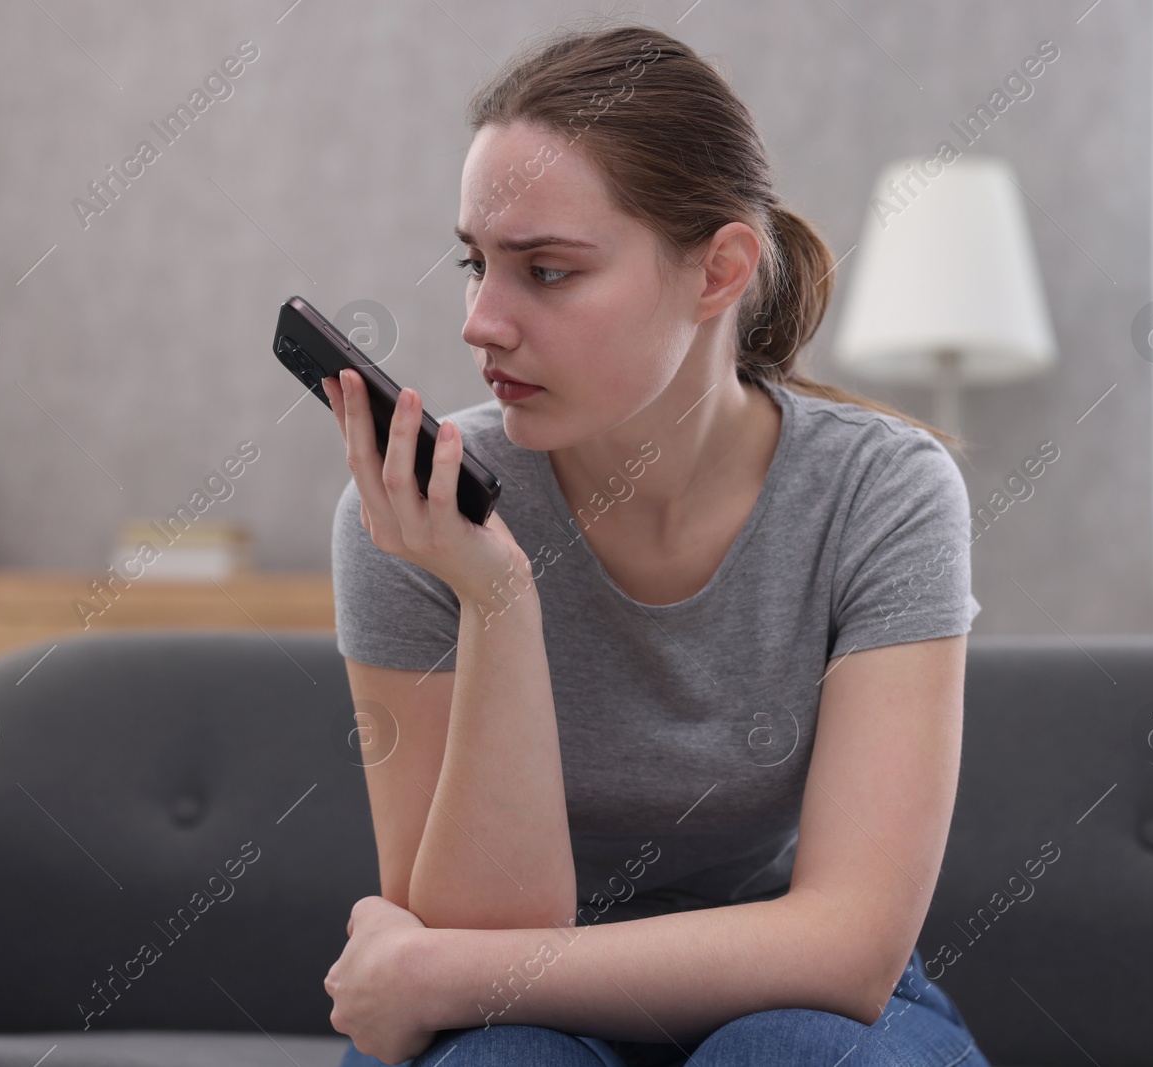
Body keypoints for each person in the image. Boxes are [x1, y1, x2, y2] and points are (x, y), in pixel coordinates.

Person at [320, 17, 989, 1067]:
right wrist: (495, 594)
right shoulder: (422, 516)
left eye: (544, 271)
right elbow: (480, 953)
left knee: (794, 1052)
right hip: (512, 1016)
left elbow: (848, 948)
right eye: (475, 261)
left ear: (719, 270)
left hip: (792, 1001)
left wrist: (429, 968)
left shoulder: (880, 490)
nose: (480, 321)